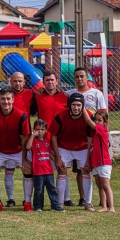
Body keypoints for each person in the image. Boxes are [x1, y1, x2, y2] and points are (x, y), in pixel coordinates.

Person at [32, 71, 74, 207]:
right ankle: (38, 201)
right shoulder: (37, 97)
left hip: (60, 139)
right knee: (43, 170)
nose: (50, 82)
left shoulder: (65, 97)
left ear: (57, 81)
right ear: (43, 82)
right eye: (47, 80)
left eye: (52, 80)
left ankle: (65, 199)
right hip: (42, 139)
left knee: (62, 168)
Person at [67, 67, 107, 207]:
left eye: (82, 76)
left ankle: (103, 200)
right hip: (77, 138)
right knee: (80, 169)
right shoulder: (70, 94)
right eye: (77, 77)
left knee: (97, 169)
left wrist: (105, 137)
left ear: (87, 77)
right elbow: (55, 93)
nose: (79, 79)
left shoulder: (96, 94)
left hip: (94, 136)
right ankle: (83, 198)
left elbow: (103, 116)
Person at [0, 88, 31, 212]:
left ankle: (27, 202)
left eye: (8, 99)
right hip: (0, 150)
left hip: (18, 151)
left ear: (13, 100)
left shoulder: (21, 115)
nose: (6, 101)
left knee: (28, 169)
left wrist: (24, 160)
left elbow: (24, 139)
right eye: (3, 99)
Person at [49, 93, 95, 211]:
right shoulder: (61, 115)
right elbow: (53, 136)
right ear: (69, 105)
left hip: (82, 147)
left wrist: (89, 158)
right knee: (61, 170)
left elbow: (90, 138)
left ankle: (88, 203)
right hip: (64, 146)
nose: (76, 108)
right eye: (74, 105)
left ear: (83, 106)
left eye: (79, 105)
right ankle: (60, 203)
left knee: (86, 170)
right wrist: (57, 157)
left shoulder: (88, 116)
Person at [4, 72, 35, 208]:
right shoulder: (4, 95)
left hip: (26, 137)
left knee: (26, 168)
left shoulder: (31, 94)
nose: (17, 83)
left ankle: (26, 199)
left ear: (24, 82)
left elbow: (35, 110)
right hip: (9, 137)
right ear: (10, 81)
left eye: (20, 81)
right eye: (15, 81)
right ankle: (10, 199)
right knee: (9, 169)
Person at [26, 119, 64, 212]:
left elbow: (50, 153)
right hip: (38, 171)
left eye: (42, 129)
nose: (40, 132)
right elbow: (27, 147)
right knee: (39, 190)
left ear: (46, 130)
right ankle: (38, 206)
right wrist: (32, 136)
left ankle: (55, 206)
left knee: (52, 189)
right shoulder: (33, 141)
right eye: (38, 129)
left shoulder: (47, 140)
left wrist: (57, 161)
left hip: (48, 170)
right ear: (34, 130)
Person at [83, 109, 115, 212]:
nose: (96, 122)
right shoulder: (94, 134)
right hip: (95, 164)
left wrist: (83, 106)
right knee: (99, 186)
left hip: (104, 163)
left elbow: (88, 121)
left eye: (99, 120)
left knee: (106, 185)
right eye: (95, 120)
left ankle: (111, 207)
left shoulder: (102, 130)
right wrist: (89, 162)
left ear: (105, 122)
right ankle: (104, 206)